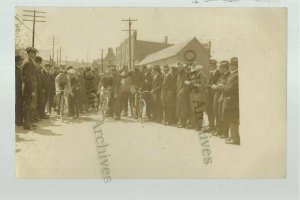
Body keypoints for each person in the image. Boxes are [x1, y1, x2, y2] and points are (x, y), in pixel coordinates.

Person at [211, 60, 231, 137]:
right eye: (219, 67)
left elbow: (224, 86)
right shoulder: (222, 75)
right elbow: (218, 84)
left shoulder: (229, 76)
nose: (219, 69)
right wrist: (216, 86)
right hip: (218, 96)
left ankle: (224, 132)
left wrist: (217, 87)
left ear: (225, 68)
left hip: (222, 97)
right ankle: (219, 130)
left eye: (221, 67)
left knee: (223, 115)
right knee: (217, 114)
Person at [223, 57, 240, 145]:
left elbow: (231, 89)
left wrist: (221, 87)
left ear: (235, 66)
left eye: (231, 65)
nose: (230, 66)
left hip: (233, 101)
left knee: (233, 120)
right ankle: (232, 137)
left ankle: (235, 139)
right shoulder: (233, 75)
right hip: (230, 101)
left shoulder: (236, 75)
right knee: (230, 119)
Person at [22, 47, 38, 130]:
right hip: (28, 87)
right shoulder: (28, 62)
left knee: (29, 105)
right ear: (28, 53)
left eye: (35, 53)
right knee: (27, 105)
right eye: (33, 53)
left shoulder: (31, 61)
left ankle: (29, 122)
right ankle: (26, 124)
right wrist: (32, 90)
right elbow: (28, 78)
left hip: (30, 86)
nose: (34, 55)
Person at [188, 63, 208, 131]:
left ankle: (199, 126)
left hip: (199, 96)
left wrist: (195, 85)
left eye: (195, 69)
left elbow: (203, 86)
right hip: (194, 95)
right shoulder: (194, 76)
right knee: (195, 111)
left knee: (199, 111)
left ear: (198, 69)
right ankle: (196, 125)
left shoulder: (202, 76)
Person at [205, 59, 221, 133]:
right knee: (209, 112)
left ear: (214, 65)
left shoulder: (219, 73)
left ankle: (217, 128)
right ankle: (211, 127)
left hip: (215, 95)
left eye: (211, 66)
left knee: (216, 112)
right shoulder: (211, 73)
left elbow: (218, 84)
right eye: (209, 66)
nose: (209, 67)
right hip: (209, 95)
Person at [176, 62, 190, 128]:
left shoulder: (186, 74)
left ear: (182, 67)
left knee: (184, 108)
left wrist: (182, 91)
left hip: (184, 94)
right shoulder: (179, 74)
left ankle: (183, 123)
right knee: (179, 108)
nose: (178, 68)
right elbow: (178, 84)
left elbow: (187, 84)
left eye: (179, 67)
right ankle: (181, 122)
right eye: (178, 67)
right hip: (179, 93)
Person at [15, 54, 23, 126]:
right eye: (19, 61)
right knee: (17, 105)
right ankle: (17, 121)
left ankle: (19, 120)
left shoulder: (19, 69)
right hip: (16, 90)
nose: (20, 62)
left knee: (19, 105)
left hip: (20, 90)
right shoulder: (15, 69)